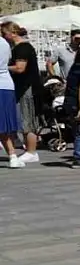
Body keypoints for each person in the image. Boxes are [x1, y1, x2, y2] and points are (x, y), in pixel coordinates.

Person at [2, 22, 45, 165]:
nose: (3, 36)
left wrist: (3, 67)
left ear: (12, 33)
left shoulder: (23, 48)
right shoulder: (17, 48)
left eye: (4, 33)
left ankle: (32, 151)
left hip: (28, 87)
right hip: (22, 87)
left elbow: (20, 68)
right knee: (24, 119)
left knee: (28, 119)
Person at [0, 35, 20, 167]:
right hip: (6, 84)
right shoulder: (4, 43)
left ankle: (13, 156)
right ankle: (13, 155)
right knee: (5, 124)